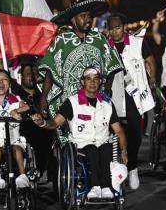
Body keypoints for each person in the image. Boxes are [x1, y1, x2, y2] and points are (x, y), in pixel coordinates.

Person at [32, 67, 128, 199]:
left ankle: (106, 187)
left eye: (96, 79)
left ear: (100, 82)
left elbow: (118, 130)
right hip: (82, 146)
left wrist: (124, 151)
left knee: (107, 148)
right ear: (82, 82)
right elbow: (55, 123)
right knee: (92, 149)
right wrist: (42, 123)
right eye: (88, 79)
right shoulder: (72, 102)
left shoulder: (107, 103)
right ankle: (95, 187)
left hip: (102, 142)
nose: (92, 82)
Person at [39, 0, 123, 119]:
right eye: (83, 16)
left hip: (96, 100)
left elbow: (112, 67)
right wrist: (43, 98)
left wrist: (105, 92)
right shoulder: (61, 41)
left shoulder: (99, 39)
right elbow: (50, 71)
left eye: (89, 16)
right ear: (73, 19)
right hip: (69, 102)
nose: (88, 19)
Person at [107, 13, 155, 189]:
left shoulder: (137, 42)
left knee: (135, 134)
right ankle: (116, 171)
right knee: (113, 135)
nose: (115, 31)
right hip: (113, 96)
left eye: (118, 27)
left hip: (134, 96)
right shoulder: (106, 47)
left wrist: (152, 79)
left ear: (124, 26)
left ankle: (132, 167)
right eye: (111, 28)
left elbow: (150, 59)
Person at [0, 70, 30, 189]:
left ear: (9, 84)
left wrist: (16, 111)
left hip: (13, 140)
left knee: (17, 149)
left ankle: (23, 176)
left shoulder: (15, 99)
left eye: (5, 79)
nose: (1, 82)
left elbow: (26, 106)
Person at [11, 63, 55, 181]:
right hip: (21, 129)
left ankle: (45, 171)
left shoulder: (42, 94)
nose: (32, 77)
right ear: (21, 76)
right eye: (28, 74)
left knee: (50, 137)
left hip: (42, 130)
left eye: (35, 74)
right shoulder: (15, 91)